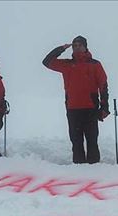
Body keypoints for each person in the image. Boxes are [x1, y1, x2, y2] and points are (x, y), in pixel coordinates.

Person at [43, 35, 110, 164]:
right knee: (76, 142)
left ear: (85, 47)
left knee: (92, 141)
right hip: (73, 109)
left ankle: (95, 168)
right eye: (74, 45)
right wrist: (61, 48)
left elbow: (103, 86)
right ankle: (79, 170)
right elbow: (47, 62)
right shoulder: (66, 64)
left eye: (79, 45)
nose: (76, 47)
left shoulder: (95, 64)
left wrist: (104, 107)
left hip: (90, 109)